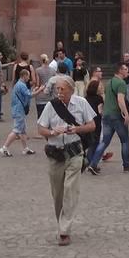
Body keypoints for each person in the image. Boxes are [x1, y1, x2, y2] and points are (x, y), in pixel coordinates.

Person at [36, 75, 96, 246]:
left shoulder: (81, 103)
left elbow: (92, 125)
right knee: (58, 194)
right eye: (57, 89)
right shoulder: (50, 106)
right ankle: (61, 223)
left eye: (62, 89)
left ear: (71, 89)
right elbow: (41, 129)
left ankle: (64, 231)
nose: (59, 92)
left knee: (70, 191)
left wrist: (77, 129)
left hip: (74, 153)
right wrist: (53, 132)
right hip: (55, 155)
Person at [86, 61, 129, 175]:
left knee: (104, 141)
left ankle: (93, 164)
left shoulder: (109, 82)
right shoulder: (121, 83)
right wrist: (126, 114)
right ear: (120, 70)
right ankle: (127, 164)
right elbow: (120, 100)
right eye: (125, 69)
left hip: (106, 115)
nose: (127, 71)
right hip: (116, 116)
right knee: (125, 140)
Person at [1, 67, 37, 157]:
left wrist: (35, 91)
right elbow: (29, 95)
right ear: (24, 76)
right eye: (28, 76)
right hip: (19, 110)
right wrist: (39, 91)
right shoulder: (21, 85)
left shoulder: (19, 84)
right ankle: (5, 147)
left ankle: (25, 148)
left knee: (23, 130)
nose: (29, 78)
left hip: (17, 109)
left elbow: (27, 93)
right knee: (16, 130)